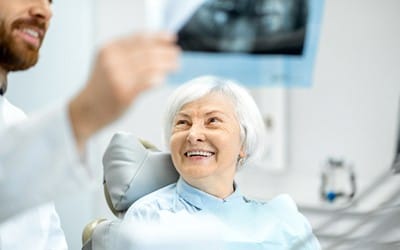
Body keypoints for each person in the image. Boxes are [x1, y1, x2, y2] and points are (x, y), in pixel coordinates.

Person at [0, 0, 180, 249]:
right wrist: (83, 114)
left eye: (50, 1)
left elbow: (47, 238)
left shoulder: (15, 121)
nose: (45, 11)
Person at [105, 76, 320, 249]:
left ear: (243, 144)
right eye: (183, 123)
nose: (193, 134)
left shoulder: (285, 221)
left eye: (213, 121)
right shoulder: (150, 216)